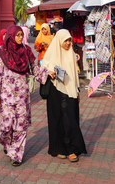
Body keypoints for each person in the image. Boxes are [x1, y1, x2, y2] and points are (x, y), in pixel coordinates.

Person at [0, 25, 55, 166]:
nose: (20, 37)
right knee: (6, 127)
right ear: (11, 36)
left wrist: (46, 72)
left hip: (22, 95)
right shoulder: (1, 52)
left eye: (21, 35)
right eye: (17, 35)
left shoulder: (26, 50)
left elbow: (34, 68)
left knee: (20, 125)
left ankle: (16, 155)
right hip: (5, 95)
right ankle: (7, 144)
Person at [42, 29, 87, 162]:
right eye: (65, 40)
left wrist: (77, 91)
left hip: (70, 91)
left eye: (69, 40)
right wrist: (49, 72)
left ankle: (72, 149)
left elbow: (74, 75)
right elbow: (42, 68)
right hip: (55, 91)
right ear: (59, 40)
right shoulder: (51, 53)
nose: (68, 43)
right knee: (56, 119)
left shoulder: (71, 54)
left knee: (70, 119)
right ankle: (59, 149)